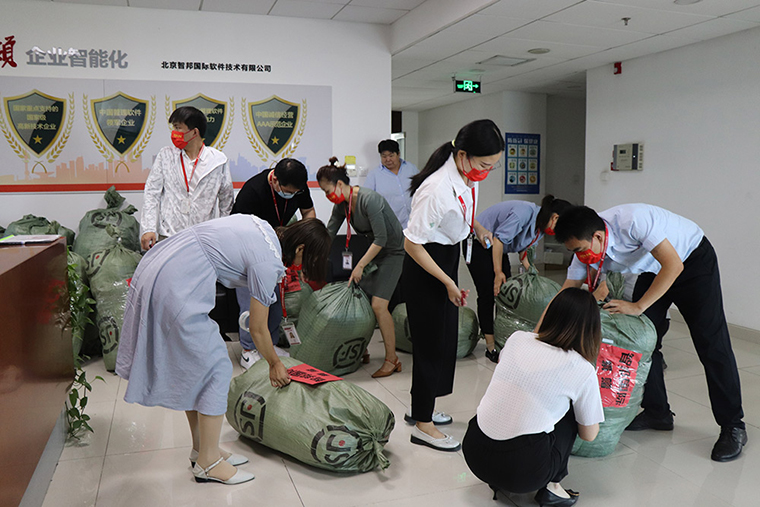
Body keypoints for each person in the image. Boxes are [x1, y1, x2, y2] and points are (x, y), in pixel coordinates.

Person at [115, 216, 331, 485]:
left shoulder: (263, 229)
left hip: (168, 263)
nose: (302, 267)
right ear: (300, 249)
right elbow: (258, 329)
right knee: (216, 367)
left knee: (198, 368)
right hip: (176, 281)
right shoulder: (268, 260)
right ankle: (208, 464)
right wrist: (275, 363)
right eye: (307, 260)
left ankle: (202, 450)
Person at [554, 204, 746, 462]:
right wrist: (542, 333)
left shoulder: (633, 221)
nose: (579, 256)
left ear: (598, 237)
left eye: (579, 250)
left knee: (711, 343)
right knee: (643, 342)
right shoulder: (585, 245)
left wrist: (638, 306)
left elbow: (674, 266)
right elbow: (568, 290)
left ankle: (733, 426)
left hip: (691, 262)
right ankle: (658, 412)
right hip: (652, 269)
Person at [402, 119, 504, 452]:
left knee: (444, 338)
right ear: (462, 155)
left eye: (493, 165)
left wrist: (475, 226)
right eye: (485, 164)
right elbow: (412, 244)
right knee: (432, 343)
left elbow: (459, 208)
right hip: (426, 266)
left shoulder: (464, 174)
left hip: (445, 258)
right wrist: (447, 282)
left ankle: (424, 406)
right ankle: (422, 423)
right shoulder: (435, 188)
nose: (487, 171)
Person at [462, 288, 603, 507]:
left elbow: (538, 334)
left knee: (519, 392)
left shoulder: (517, 339)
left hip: (474, 453)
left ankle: (498, 477)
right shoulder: (582, 368)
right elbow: (589, 435)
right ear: (592, 329)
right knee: (571, 414)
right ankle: (553, 488)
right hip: (521, 474)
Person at [317, 157, 405, 378]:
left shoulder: (369, 200)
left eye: (328, 191)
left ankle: (392, 359)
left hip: (393, 252)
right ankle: (361, 350)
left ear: (339, 184)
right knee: (360, 300)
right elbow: (329, 233)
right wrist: (312, 257)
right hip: (375, 252)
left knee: (378, 305)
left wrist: (360, 266)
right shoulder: (342, 205)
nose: (328, 196)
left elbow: (382, 238)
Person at [231, 158, 316, 369]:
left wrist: (303, 236)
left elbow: (308, 212)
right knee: (250, 302)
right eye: (287, 191)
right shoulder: (253, 190)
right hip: (247, 250)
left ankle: (269, 344)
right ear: (275, 181)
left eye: (295, 193)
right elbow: (237, 229)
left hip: (275, 249)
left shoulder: (298, 187)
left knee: (274, 299)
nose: (292, 195)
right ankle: (249, 349)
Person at [466, 195, 572, 362]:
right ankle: (491, 346)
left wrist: (535, 276)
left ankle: (502, 338)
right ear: (555, 217)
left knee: (505, 293)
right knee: (488, 293)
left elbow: (525, 254)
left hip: (497, 248)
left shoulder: (540, 228)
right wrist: (498, 272)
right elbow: (499, 240)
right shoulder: (523, 213)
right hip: (479, 244)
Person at [140, 106, 233, 250]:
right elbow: (152, 193)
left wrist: (224, 232)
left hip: (203, 238)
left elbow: (226, 201)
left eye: (178, 128)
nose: (174, 133)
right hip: (169, 235)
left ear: (194, 132)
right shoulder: (166, 156)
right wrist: (148, 228)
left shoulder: (218, 161)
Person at [364, 139, 418, 229]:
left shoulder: (411, 169)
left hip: (414, 225)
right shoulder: (374, 175)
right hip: (390, 227)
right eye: (384, 156)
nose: (388, 159)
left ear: (398, 154)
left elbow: (422, 189)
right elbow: (366, 200)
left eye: (391, 155)